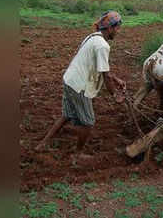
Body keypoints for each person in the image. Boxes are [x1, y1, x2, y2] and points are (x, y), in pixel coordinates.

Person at [35, 11, 126, 152]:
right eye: (117, 28)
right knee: (88, 123)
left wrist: (116, 79)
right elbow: (105, 75)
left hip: (69, 80)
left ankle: (42, 144)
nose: (118, 31)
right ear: (109, 28)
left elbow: (101, 68)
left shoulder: (93, 37)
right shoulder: (102, 46)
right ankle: (78, 154)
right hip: (79, 86)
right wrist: (115, 94)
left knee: (67, 115)